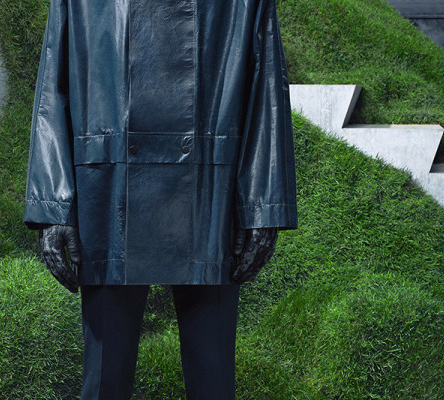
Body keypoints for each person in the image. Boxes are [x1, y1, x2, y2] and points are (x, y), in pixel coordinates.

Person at [24, 0, 297, 398]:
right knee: (104, 381)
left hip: (209, 187)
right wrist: (53, 205)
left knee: (213, 379)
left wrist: (262, 205)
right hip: (110, 185)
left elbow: (267, 85)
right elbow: (54, 82)